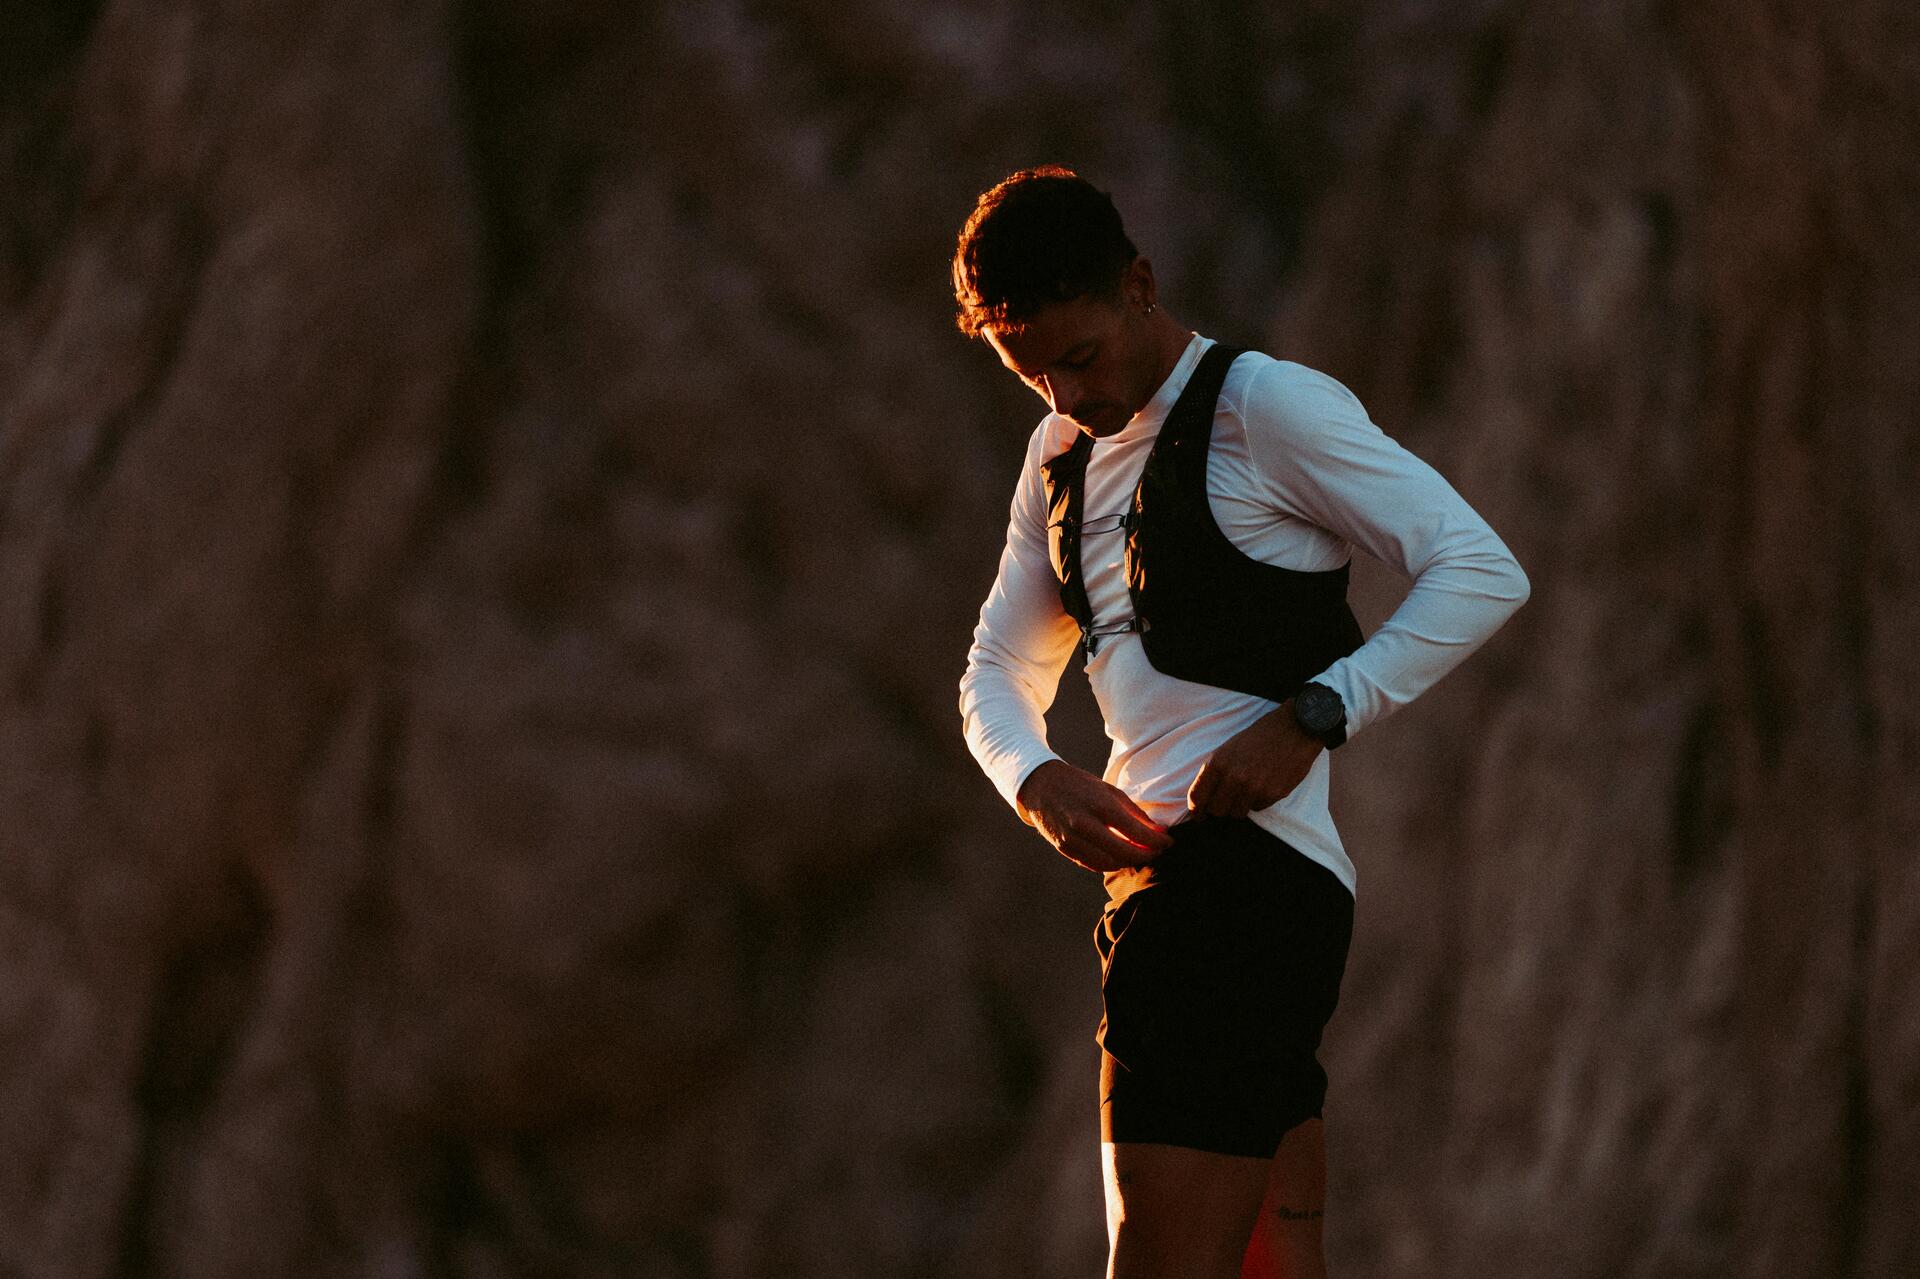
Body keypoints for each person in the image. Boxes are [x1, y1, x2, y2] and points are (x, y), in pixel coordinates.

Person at [953, 166, 1530, 1279]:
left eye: (1081, 356)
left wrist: (1318, 711)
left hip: (1234, 892)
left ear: (1141, 283)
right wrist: (1034, 776)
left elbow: (1479, 566)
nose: (1068, 395)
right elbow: (994, 669)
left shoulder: (1266, 407)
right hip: (1178, 895)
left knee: (1161, 1265)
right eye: (1033, 376)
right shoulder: (1059, 458)